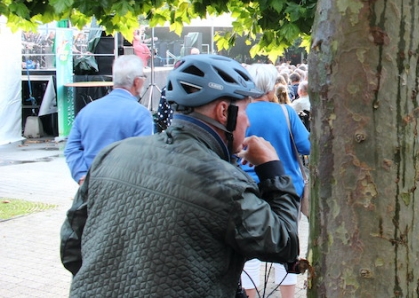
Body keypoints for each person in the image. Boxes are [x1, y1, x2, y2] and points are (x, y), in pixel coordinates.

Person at [60, 55, 300, 297]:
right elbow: (284, 244)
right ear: (223, 112)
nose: (248, 122)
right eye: (246, 110)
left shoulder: (110, 154)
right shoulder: (225, 184)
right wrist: (272, 168)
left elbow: (71, 245)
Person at [238, 63, 310, 298]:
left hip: (248, 188)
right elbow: (306, 145)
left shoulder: (240, 114)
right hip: (287, 188)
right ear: (271, 89)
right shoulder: (285, 112)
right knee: (287, 247)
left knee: (248, 250)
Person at [63, 55, 153, 184]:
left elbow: (71, 148)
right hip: (123, 187)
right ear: (137, 81)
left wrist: (81, 176)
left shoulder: (87, 110)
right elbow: (143, 156)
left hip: (91, 185)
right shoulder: (141, 114)